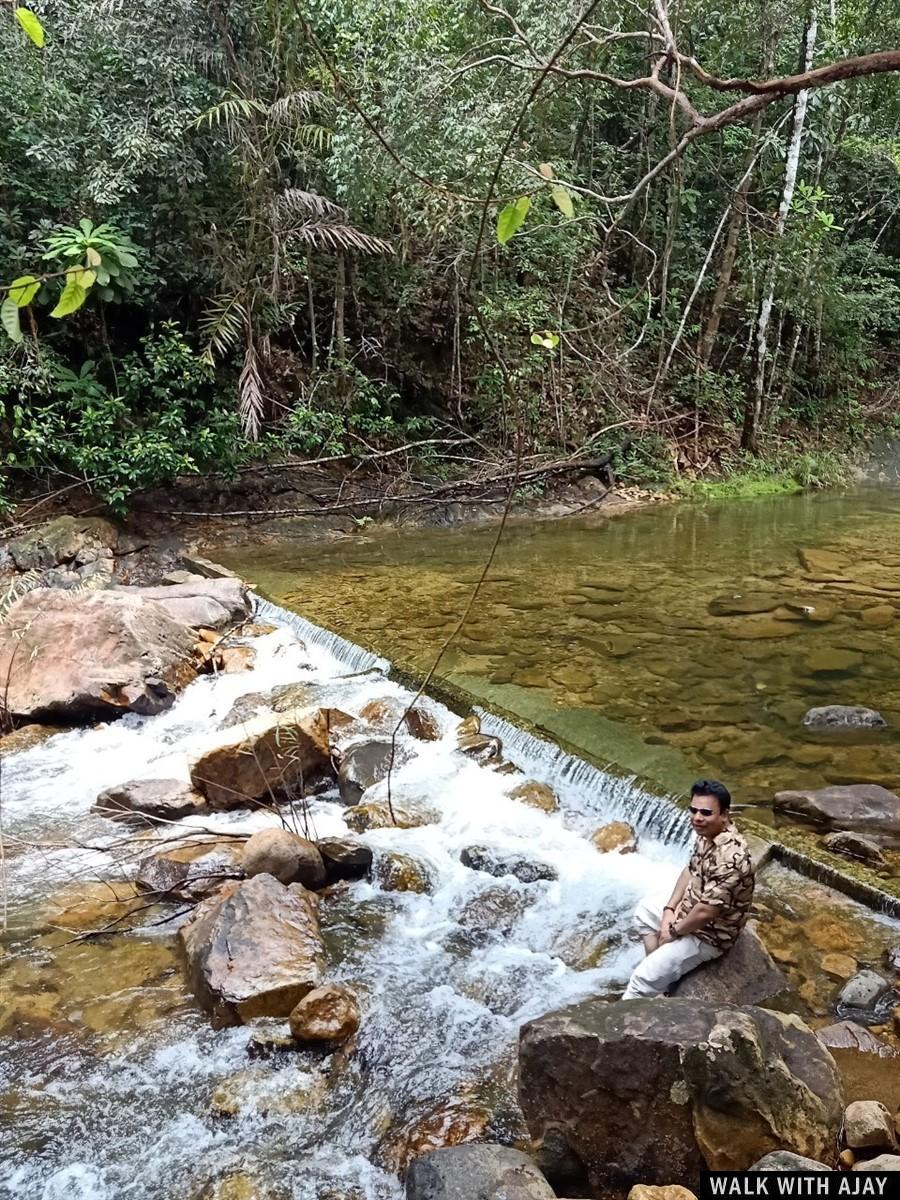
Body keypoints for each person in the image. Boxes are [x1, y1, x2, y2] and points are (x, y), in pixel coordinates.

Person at [622, 779, 754, 1000]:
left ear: (724, 814)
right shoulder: (707, 836)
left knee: (639, 980)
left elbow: (706, 912)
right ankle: (661, 981)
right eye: (693, 810)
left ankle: (623, 1025)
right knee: (644, 913)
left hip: (709, 934)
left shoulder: (732, 857)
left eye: (706, 812)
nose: (697, 818)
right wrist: (668, 910)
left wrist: (672, 932)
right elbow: (689, 872)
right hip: (688, 912)